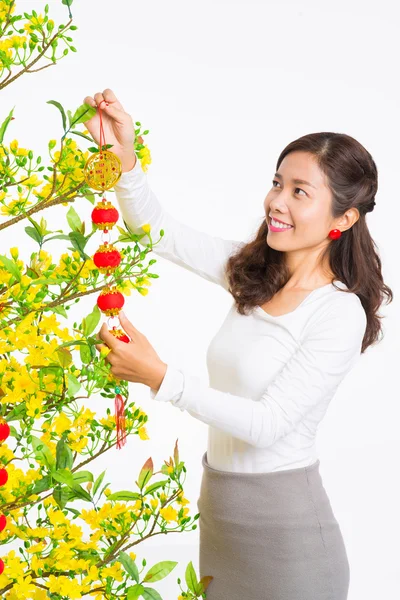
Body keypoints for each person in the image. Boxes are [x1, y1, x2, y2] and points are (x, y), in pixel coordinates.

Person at [83, 89, 393, 600]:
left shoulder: (336, 313)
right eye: (277, 183)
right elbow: (155, 231)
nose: (276, 200)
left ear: (343, 219)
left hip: (291, 543)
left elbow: (266, 425)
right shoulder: (253, 272)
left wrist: (161, 377)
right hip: (222, 522)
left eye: (299, 191)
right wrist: (126, 158)